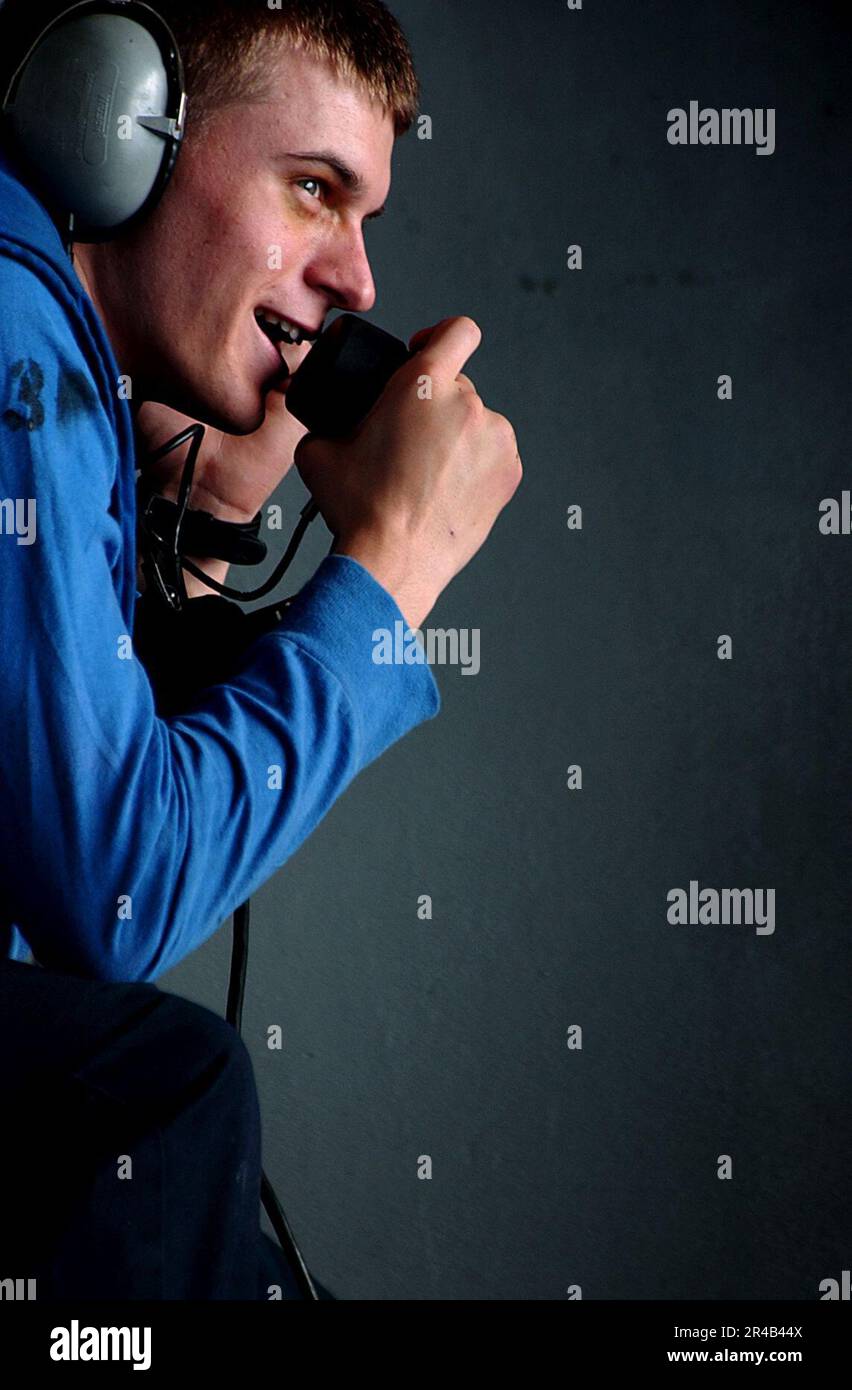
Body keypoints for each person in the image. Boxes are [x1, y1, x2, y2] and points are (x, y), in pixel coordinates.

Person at [0, 0, 522, 1299]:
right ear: (118, 127)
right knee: (166, 1089)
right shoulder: (13, 322)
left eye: (366, 217)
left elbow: (57, 832)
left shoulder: (54, 354)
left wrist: (215, 514)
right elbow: (111, 894)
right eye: (312, 187)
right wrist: (392, 570)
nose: (357, 279)